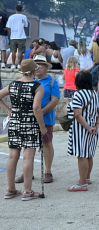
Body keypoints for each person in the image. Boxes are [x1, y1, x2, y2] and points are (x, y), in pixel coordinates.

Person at [2, 59, 47, 200]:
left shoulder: (13, 85)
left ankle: (10, 189)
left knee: (12, 157)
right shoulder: (37, 86)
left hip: (15, 123)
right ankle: (27, 191)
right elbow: (36, 108)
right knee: (28, 157)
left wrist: (8, 110)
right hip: (31, 124)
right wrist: (42, 127)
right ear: (34, 70)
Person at [67, 71, 99, 191]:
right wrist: (97, 124)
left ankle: (82, 184)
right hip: (94, 129)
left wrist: (87, 127)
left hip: (81, 129)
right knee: (89, 154)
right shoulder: (95, 95)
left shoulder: (78, 95)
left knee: (81, 155)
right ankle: (87, 178)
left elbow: (77, 115)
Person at [28, 54, 60, 185]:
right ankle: (27, 172)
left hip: (46, 119)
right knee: (29, 146)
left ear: (45, 67)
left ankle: (47, 171)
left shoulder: (52, 82)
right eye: (34, 66)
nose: (36, 69)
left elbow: (54, 101)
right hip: (30, 119)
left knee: (47, 144)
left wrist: (40, 112)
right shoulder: (29, 80)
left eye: (39, 66)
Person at [6, 4, 28, 69]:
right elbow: (25, 26)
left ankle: (13, 64)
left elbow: (8, 27)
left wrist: (10, 35)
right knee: (20, 51)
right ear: (21, 10)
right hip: (21, 36)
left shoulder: (11, 17)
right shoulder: (23, 17)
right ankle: (18, 64)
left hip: (13, 37)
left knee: (13, 51)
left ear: (15, 9)